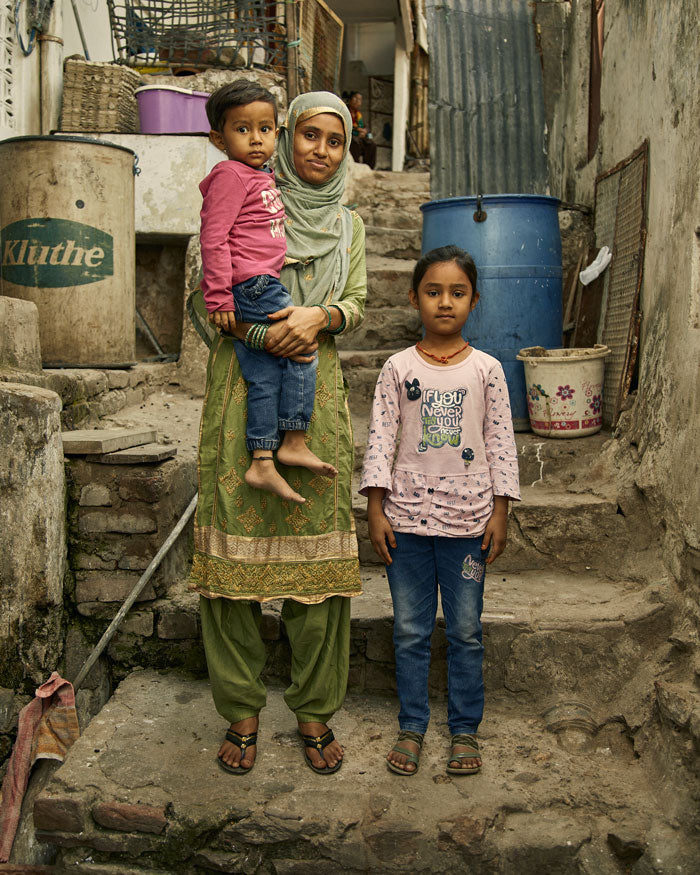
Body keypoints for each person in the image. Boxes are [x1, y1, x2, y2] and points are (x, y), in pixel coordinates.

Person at [187, 91, 367, 776]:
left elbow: (357, 300)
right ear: (284, 137)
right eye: (308, 136)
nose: (319, 151)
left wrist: (320, 318)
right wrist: (264, 330)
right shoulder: (247, 194)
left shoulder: (349, 227)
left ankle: (315, 709)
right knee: (232, 567)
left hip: (314, 398)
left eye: (334, 140)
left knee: (317, 564)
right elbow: (207, 301)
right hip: (239, 391)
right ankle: (240, 708)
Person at [359, 245, 520, 776]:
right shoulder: (397, 367)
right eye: (433, 292)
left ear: (474, 300)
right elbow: (382, 436)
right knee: (409, 629)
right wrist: (375, 510)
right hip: (404, 523)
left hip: (469, 524)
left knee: (466, 630)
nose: (444, 302)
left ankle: (465, 730)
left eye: (457, 293)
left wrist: (500, 512)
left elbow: (499, 442)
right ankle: (412, 725)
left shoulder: (487, 371)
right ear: (414, 298)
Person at [200, 81, 336, 505]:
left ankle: (262, 459)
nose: (256, 138)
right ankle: (293, 437)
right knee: (301, 347)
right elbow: (213, 237)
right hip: (254, 284)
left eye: (266, 128)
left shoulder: (258, 175)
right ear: (219, 139)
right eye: (243, 129)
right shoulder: (228, 175)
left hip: (253, 283)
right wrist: (219, 297)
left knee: (263, 376)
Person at [345, 91, 377, 169]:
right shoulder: (345, 110)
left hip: (359, 136)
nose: (358, 102)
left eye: (360, 100)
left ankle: (369, 168)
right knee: (355, 143)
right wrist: (357, 130)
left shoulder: (358, 114)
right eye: (355, 99)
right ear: (350, 99)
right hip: (349, 136)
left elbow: (364, 126)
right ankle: (355, 167)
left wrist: (364, 131)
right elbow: (345, 124)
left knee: (372, 145)